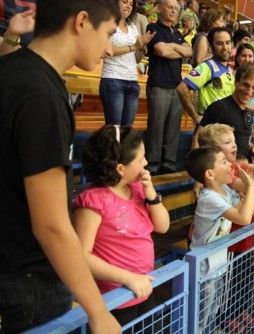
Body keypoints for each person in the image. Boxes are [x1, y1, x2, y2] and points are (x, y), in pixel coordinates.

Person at [0, 1, 122, 332]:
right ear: (82, 21)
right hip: (29, 282)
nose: (110, 49)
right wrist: (98, 312)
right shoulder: (41, 95)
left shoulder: (11, 70)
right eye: (109, 33)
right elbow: (50, 225)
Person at [73, 126, 170, 325]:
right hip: (115, 300)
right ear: (120, 169)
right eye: (141, 158)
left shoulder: (137, 189)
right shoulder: (93, 201)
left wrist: (151, 194)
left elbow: (163, 227)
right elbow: (81, 257)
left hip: (144, 288)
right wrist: (128, 278)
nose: (146, 163)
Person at [184, 146, 254, 333]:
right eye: (223, 161)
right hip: (203, 269)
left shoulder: (224, 189)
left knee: (213, 310)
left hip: (218, 264)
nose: (230, 164)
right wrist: (251, 187)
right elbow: (243, 217)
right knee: (200, 317)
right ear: (210, 173)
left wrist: (247, 193)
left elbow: (239, 208)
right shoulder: (208, 198)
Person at [145, 0, 192, 174]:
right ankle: (152, 165)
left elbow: (189, 52)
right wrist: (177, 50)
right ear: (159, 8)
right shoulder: (152, 27)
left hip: (177, 86)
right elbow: (162, 51)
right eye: (170, 7)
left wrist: (171, 47)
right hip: (158, 84)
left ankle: (169, 164)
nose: (173, 11)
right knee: (156, 127)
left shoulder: (177, 33)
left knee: (173, 127)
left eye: (176, 9)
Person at [100, 0, 155, 127]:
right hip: (113, 79)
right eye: (124, 2)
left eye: (131, 4)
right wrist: (133, 46)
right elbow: (104, 51)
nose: (128, 6)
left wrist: (142, 47)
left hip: (132, 81)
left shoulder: (133, 27)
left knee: (127, 129)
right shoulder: (106, 24)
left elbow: (136, 59)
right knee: (114, 128)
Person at [177, 26, 234, 147]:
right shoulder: (207, 67)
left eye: (228, 43)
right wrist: (195, 116)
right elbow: (182, 88)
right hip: (209, 132)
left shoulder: (229, 70)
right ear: (211, 47)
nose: (225, 47)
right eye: (219, 43)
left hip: (224, 131)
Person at [199, 63, 254, 159]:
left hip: (243, 167)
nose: (249, 91)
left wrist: (253, 149)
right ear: (236, 82)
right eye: (246, 85)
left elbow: (242, 142)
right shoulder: (219, 107)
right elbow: (198, 139)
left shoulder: (247, 111)